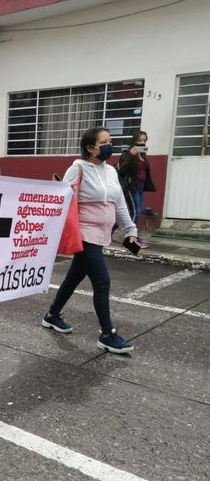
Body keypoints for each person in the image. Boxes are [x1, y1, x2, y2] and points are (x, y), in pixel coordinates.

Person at [42, 126, 139, 354]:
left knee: (74, 277)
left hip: (101, 234)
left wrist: (130, 230)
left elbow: (120, 204)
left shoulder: (111, 172)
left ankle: (52, 315)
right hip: (84, 234)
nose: (109, 145)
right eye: (104, 142)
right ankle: (107, 335)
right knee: (102, 281)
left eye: (110, 140)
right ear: (90, 147)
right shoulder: (77, 169)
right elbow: (62, 199)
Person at [118, 130, 154, 248]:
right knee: (136, 213)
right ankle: (131, 242)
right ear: (134, 141)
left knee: (133, 213)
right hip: (131, 187)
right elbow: (122, 171)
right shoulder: (127, 154)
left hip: (140, 187)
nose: (142, 143)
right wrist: (131, 156)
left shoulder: (143, 154)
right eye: (140, 140)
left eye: (144, 140)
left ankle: (111, 230)